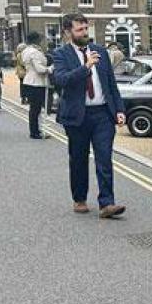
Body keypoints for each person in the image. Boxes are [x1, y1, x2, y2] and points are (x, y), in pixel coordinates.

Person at [52, 13, 127, 218]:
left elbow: (111, 84)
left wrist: (119, 110)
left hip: (102, 114)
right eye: (80, 30)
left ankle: (107, 203)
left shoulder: (100, 51)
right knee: (78, 159)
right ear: (68, 32)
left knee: (104, 158)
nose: (85, 33)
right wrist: (85, 67)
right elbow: (61, 80)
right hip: (77, 116)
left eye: (86, 28)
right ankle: (79, 199)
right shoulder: (60, 54)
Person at [22, 31, 53, 139]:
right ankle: (35, 132)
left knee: (34, 109)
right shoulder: (35, 52)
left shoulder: (26, 51)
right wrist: (50, 69)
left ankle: (36, 130)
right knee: (36, 109)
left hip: (29, 81)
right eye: (40, 39)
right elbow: (39, 69)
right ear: (36, 40)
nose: (42, 41)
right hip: (36, 82)